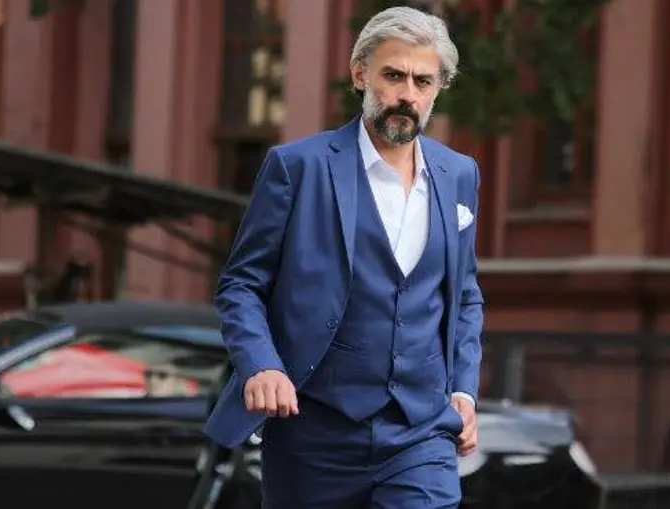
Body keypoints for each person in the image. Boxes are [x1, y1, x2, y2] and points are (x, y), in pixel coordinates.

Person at [203, 6, 484, 508]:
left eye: (422, 81)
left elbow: (464, 297)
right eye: (393, 75)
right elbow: (241, 285)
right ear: (360, 75)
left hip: (420, 434)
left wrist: (463, 390)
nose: (407, 94)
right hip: (313, 433)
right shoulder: (297, 167)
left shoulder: (459, 174)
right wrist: (261, 366)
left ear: (438, 88)